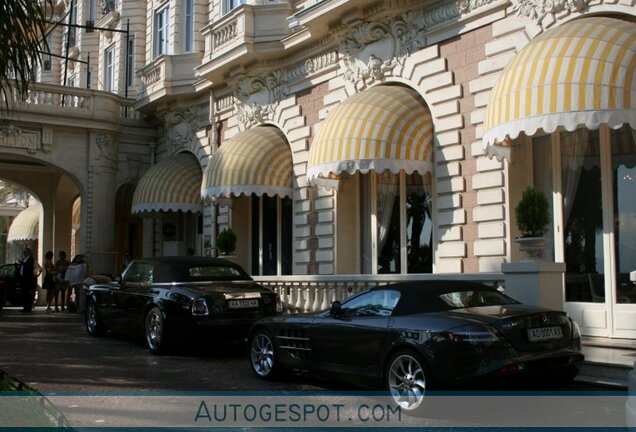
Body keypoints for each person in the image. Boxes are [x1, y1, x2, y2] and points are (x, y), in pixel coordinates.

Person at [18, 247, 37, 312]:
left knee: (28, 294)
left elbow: (29, 268)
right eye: (24, 251)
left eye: (25, 251)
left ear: (28, 252)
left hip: (28, 280)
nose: (24, 253)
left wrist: (22, 263)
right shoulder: (24, 259)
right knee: (24, 293)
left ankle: (28, 308)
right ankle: (25, 307)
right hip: (23, 279)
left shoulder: (31, 259)